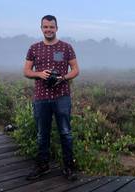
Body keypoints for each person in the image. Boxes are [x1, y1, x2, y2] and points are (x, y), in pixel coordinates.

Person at [24, 15, 79, 181]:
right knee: (42, 134)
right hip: (41, 97)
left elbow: (75, 69)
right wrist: (39, 74)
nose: (48, 30)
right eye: (45, 27)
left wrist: (63, 78)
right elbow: (26, 71)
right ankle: (43, 166)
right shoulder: (34, 48)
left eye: (51, 27)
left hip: (62, 97)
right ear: (41, 28)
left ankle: (69, 167)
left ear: (57, 28)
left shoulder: (66, 47)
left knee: (66, 133)